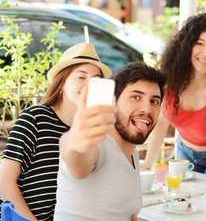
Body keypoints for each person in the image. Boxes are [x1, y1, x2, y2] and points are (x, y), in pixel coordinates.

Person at [0, 42, 112, 221]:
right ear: (62, 84)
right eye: (81, 77)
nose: (89, 85)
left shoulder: (91, 131)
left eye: (95, 79)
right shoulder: (34, 119)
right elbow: (4, 182)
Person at [53, 62, 165, 221]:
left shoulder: (131, 152)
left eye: (154, 101)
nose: (147, 109)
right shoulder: (98, 145)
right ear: (113, 102)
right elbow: (75, 156)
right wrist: (74, 141)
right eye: (135, 97)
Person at [141, 13, 206, 177]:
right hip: (184, 151)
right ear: (187, 46)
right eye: (200, 43)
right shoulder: (170, 80)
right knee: (182, 199)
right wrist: (148, 164)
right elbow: (161, 123)